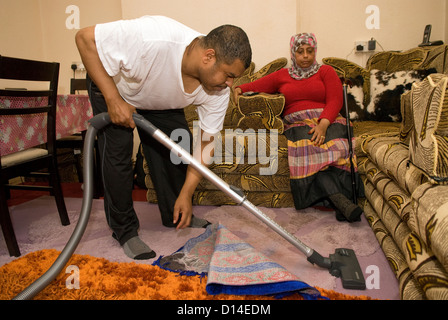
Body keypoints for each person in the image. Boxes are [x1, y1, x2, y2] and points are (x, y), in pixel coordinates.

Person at [76, 15, 252, 260]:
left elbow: (205, 145)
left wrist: (187, 193)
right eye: (229, 75)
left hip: (158, 98)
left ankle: (176, 212)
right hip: (114, 85)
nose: (230, 83)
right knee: (118, 152)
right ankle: (124, 230)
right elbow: (85, 38)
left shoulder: (218, 91)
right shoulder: (154, 38)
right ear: (209, 56)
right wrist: (113, 99)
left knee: (179, 147)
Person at [234, 33, 363, 222]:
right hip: (297, 123)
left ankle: (337, 200)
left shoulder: (326, 71)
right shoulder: (282, 75)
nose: (305, 56)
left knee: (336, 147)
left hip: (329, 120)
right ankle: (340, 201)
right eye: (300, 51)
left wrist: (323, 124)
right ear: (293, 53)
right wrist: (238, 89)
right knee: (308, 147)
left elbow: (335, 99)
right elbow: (252, 85)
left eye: (309, 51)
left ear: (315, 51)